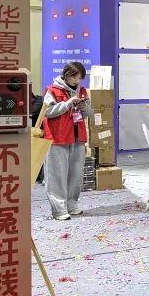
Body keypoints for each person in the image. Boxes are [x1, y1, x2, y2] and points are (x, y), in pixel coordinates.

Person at [42, 62, 93, 221]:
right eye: (74, 77)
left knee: (75, 174)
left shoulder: (82, 91)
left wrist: (83, 107)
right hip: (57, 138)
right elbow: (48, 112)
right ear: (66, 75)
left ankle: (72, 204)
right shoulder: (52, 90)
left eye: (80, 78)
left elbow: (88, 113)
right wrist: (67, 104)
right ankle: (59, 209)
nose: (77, 81)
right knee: (57, 175)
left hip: (77, 138)